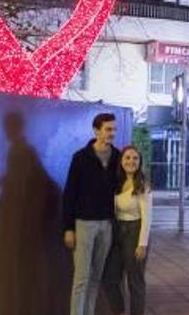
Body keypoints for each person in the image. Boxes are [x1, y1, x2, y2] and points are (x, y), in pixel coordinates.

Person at [63, 113, 120, 315]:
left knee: (96, 278)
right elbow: (70, 194)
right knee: (81, 278)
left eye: (114, 129)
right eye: (108, 129)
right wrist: (68, 228)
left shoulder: (118, 157)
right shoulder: (80, 158)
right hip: (84, 224)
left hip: (107, 225)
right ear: (96, 130)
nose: (112, 133)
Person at [103, 145, 153, 315]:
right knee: (110, 279)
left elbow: (147, 217)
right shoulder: (116, 182)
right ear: (121, 161)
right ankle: (119, 311)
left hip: (135, 231)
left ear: (140, 162)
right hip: (117, 232)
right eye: (127, 158)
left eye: (135, 158)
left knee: (135, 281)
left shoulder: (142, 185)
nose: (131, 161)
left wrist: (142, 244)